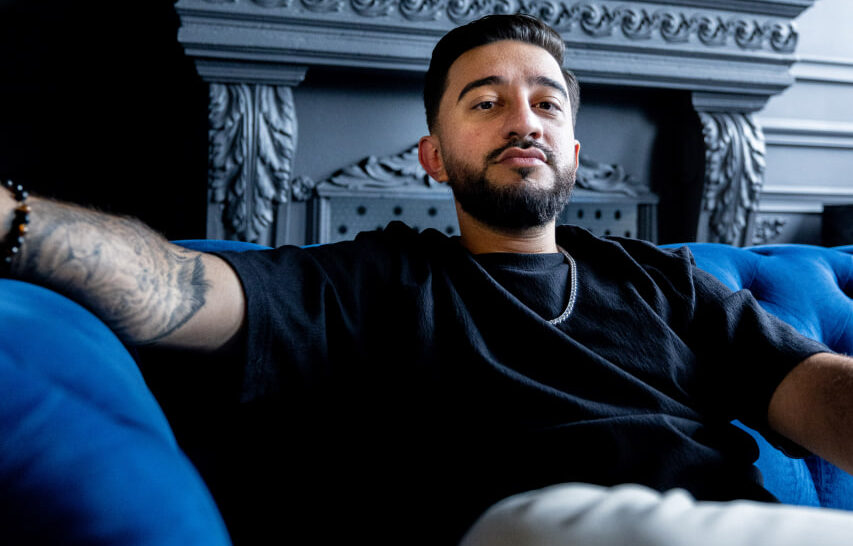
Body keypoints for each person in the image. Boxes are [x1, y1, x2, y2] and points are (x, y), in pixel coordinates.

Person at [3, 13, 853, 546]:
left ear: (572, 151)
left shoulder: (666, 282)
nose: (523, 120)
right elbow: (174, 286)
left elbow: (819, 391)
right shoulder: (376, 278)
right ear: (433, 157)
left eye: (546, 103)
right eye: (485, 102)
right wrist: (12, 220)